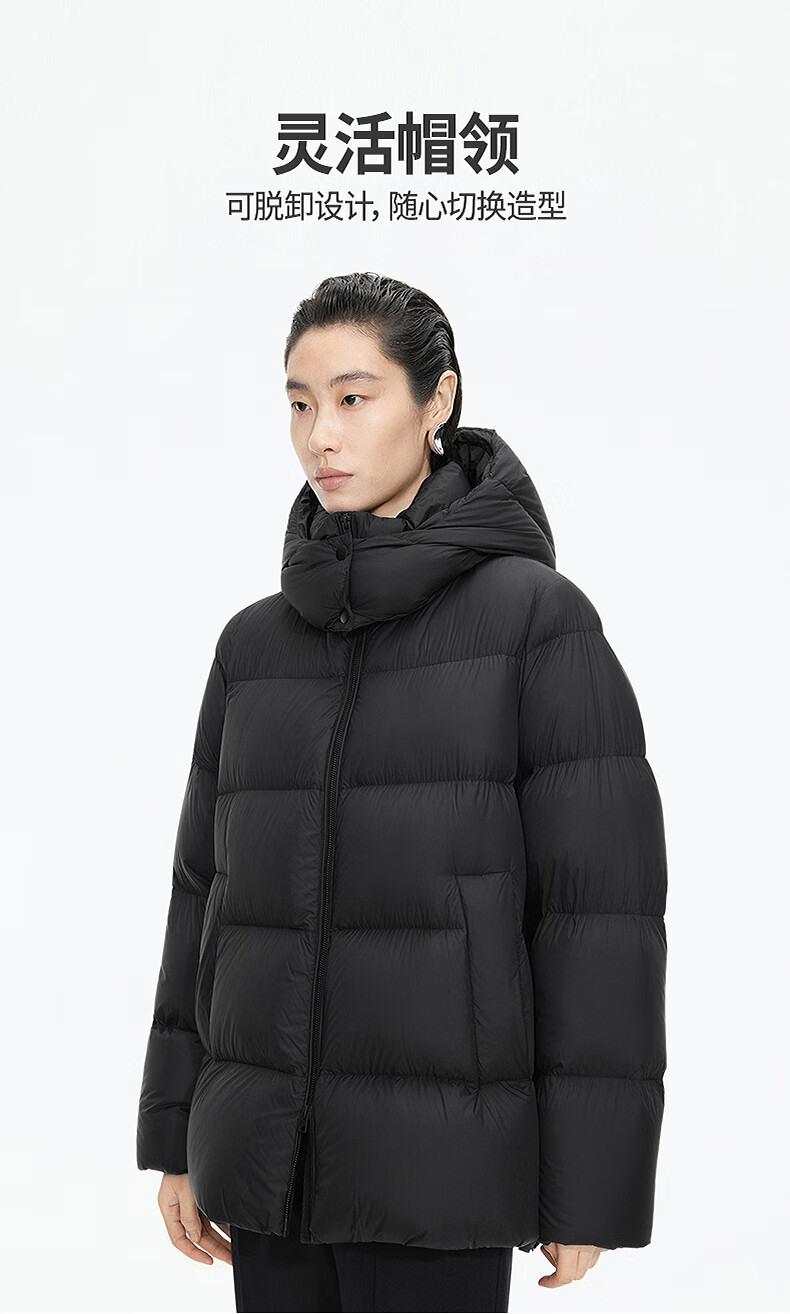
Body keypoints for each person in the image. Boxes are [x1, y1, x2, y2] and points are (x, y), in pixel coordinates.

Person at [136, 271, 668, 1313]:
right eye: (299, 403)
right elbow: (204, 898)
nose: (320, 435)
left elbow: (597, 919)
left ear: (438, 402)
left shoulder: (537, 624)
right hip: (268, 1174)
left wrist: (589, 1185)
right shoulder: (253, 647)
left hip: (444, 1180)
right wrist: (178, 1134)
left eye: (353, 396)